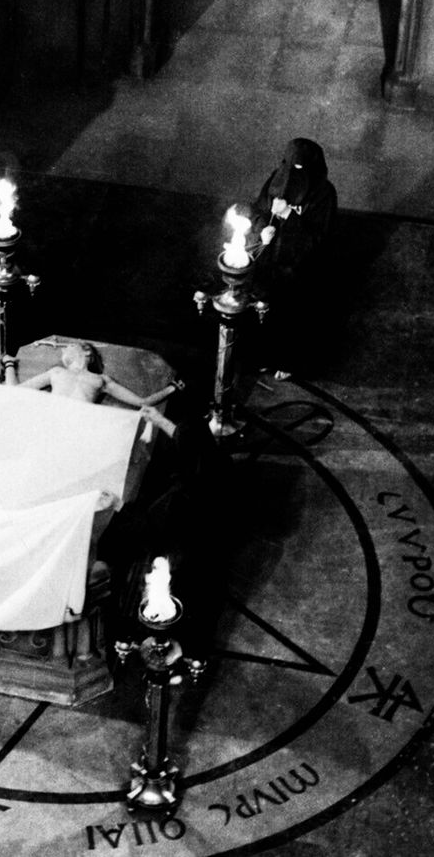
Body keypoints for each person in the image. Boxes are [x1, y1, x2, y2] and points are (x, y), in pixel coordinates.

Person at [105, 398, 236, 667]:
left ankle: (145, 644)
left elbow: (147, 529)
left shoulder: (179, 497)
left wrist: (118, 505)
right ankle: (194, 653)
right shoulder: (217, 466)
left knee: (137, 581)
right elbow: (190, 440)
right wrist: (159, 419)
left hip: (177, 563)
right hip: (210, 556)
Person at [248, 138, 337, 380]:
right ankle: (264, 357)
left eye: (298, 168)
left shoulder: (323, 194)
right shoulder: (277, 179)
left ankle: (287, 362)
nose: (291, 173)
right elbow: (258, 210)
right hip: (269, 263)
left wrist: (289, 215)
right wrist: (261, 227)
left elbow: (319, 238)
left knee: (292, 317)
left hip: (298, 268)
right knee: (263, 311)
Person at [3, 341, 183, 407]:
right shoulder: (57, 372)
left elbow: (142, 402)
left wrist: (172, 388)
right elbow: (14, 390)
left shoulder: (100, 380)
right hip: (53, 421)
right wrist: (9, 363)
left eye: (70, 346)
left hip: (83, 426)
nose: (65, 350)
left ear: (87, 351)